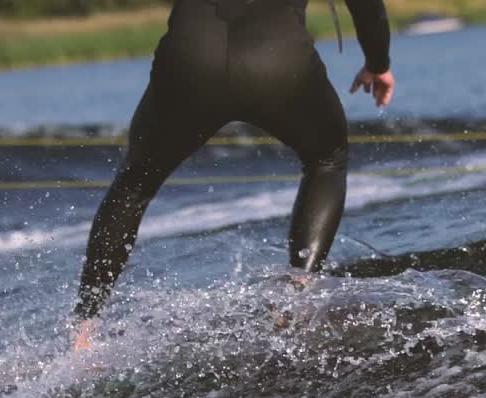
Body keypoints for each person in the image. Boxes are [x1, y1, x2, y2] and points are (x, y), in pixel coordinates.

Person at [71, 0, 395, 350]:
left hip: (190, 61)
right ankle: (297, 295)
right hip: (280, 63)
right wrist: (378, 63)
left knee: (133, 185)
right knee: (327, 159)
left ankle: (84, 331)